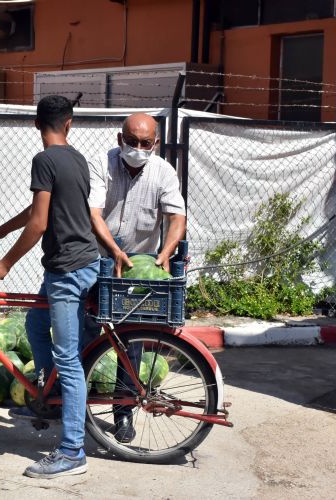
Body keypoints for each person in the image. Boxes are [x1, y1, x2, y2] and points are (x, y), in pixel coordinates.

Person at [0, 95, 99, 479]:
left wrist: (5, 263)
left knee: (68, 359)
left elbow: (40, 223)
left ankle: (72, 451)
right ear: (69, 124)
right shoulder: (76, 159)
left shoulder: (44, 160)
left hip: (67, 270)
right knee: (34, 325)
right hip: (77, 264)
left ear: (36, 124)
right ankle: (48, 400)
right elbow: (37, 211)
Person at [87, 112, 187, 442]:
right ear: (120, 140)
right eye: (132, 142)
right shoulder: (102, 164)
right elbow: (93, 214)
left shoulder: (163, 172)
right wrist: (113, 250)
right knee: (86, 330)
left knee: (130, 340)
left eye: (145, 143)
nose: (138, 148)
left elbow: (177, 217)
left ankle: (124, 412)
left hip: (138, 267)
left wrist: (164, 253)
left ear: (155, 144)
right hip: (99, 257)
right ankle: (76, 402)